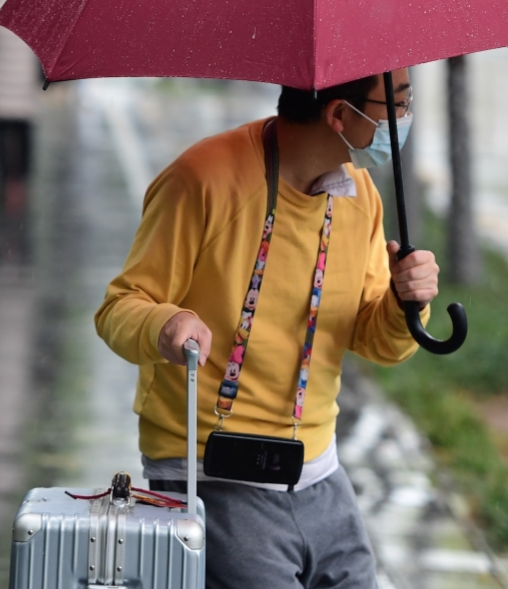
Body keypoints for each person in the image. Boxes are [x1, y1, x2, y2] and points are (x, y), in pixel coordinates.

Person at [96, 70, 438, 589]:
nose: (403, 120)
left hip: (319, 469)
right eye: (397, 105)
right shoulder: (202, 179)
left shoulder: (359, 195)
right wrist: (166, 324)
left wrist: (405, 302)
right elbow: (119, 308)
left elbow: (374, 339)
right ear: (340, 114)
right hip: (213, 471)